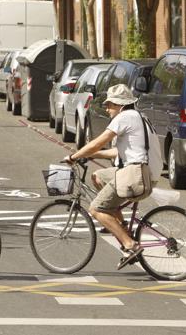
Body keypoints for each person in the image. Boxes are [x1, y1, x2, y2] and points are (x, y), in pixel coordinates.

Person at [63, 84, 155, 270]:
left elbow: (100, 141)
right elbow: (117, 152)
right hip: (138, 171)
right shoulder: (137, 116)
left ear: (120, 105)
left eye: (110, 104)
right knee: (98, 176)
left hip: (132, 175)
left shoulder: (124, 117)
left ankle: (130, 245)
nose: (107, 108)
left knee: (96, 210)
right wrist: (90, 155)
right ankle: (121, 225)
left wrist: (75, 156)